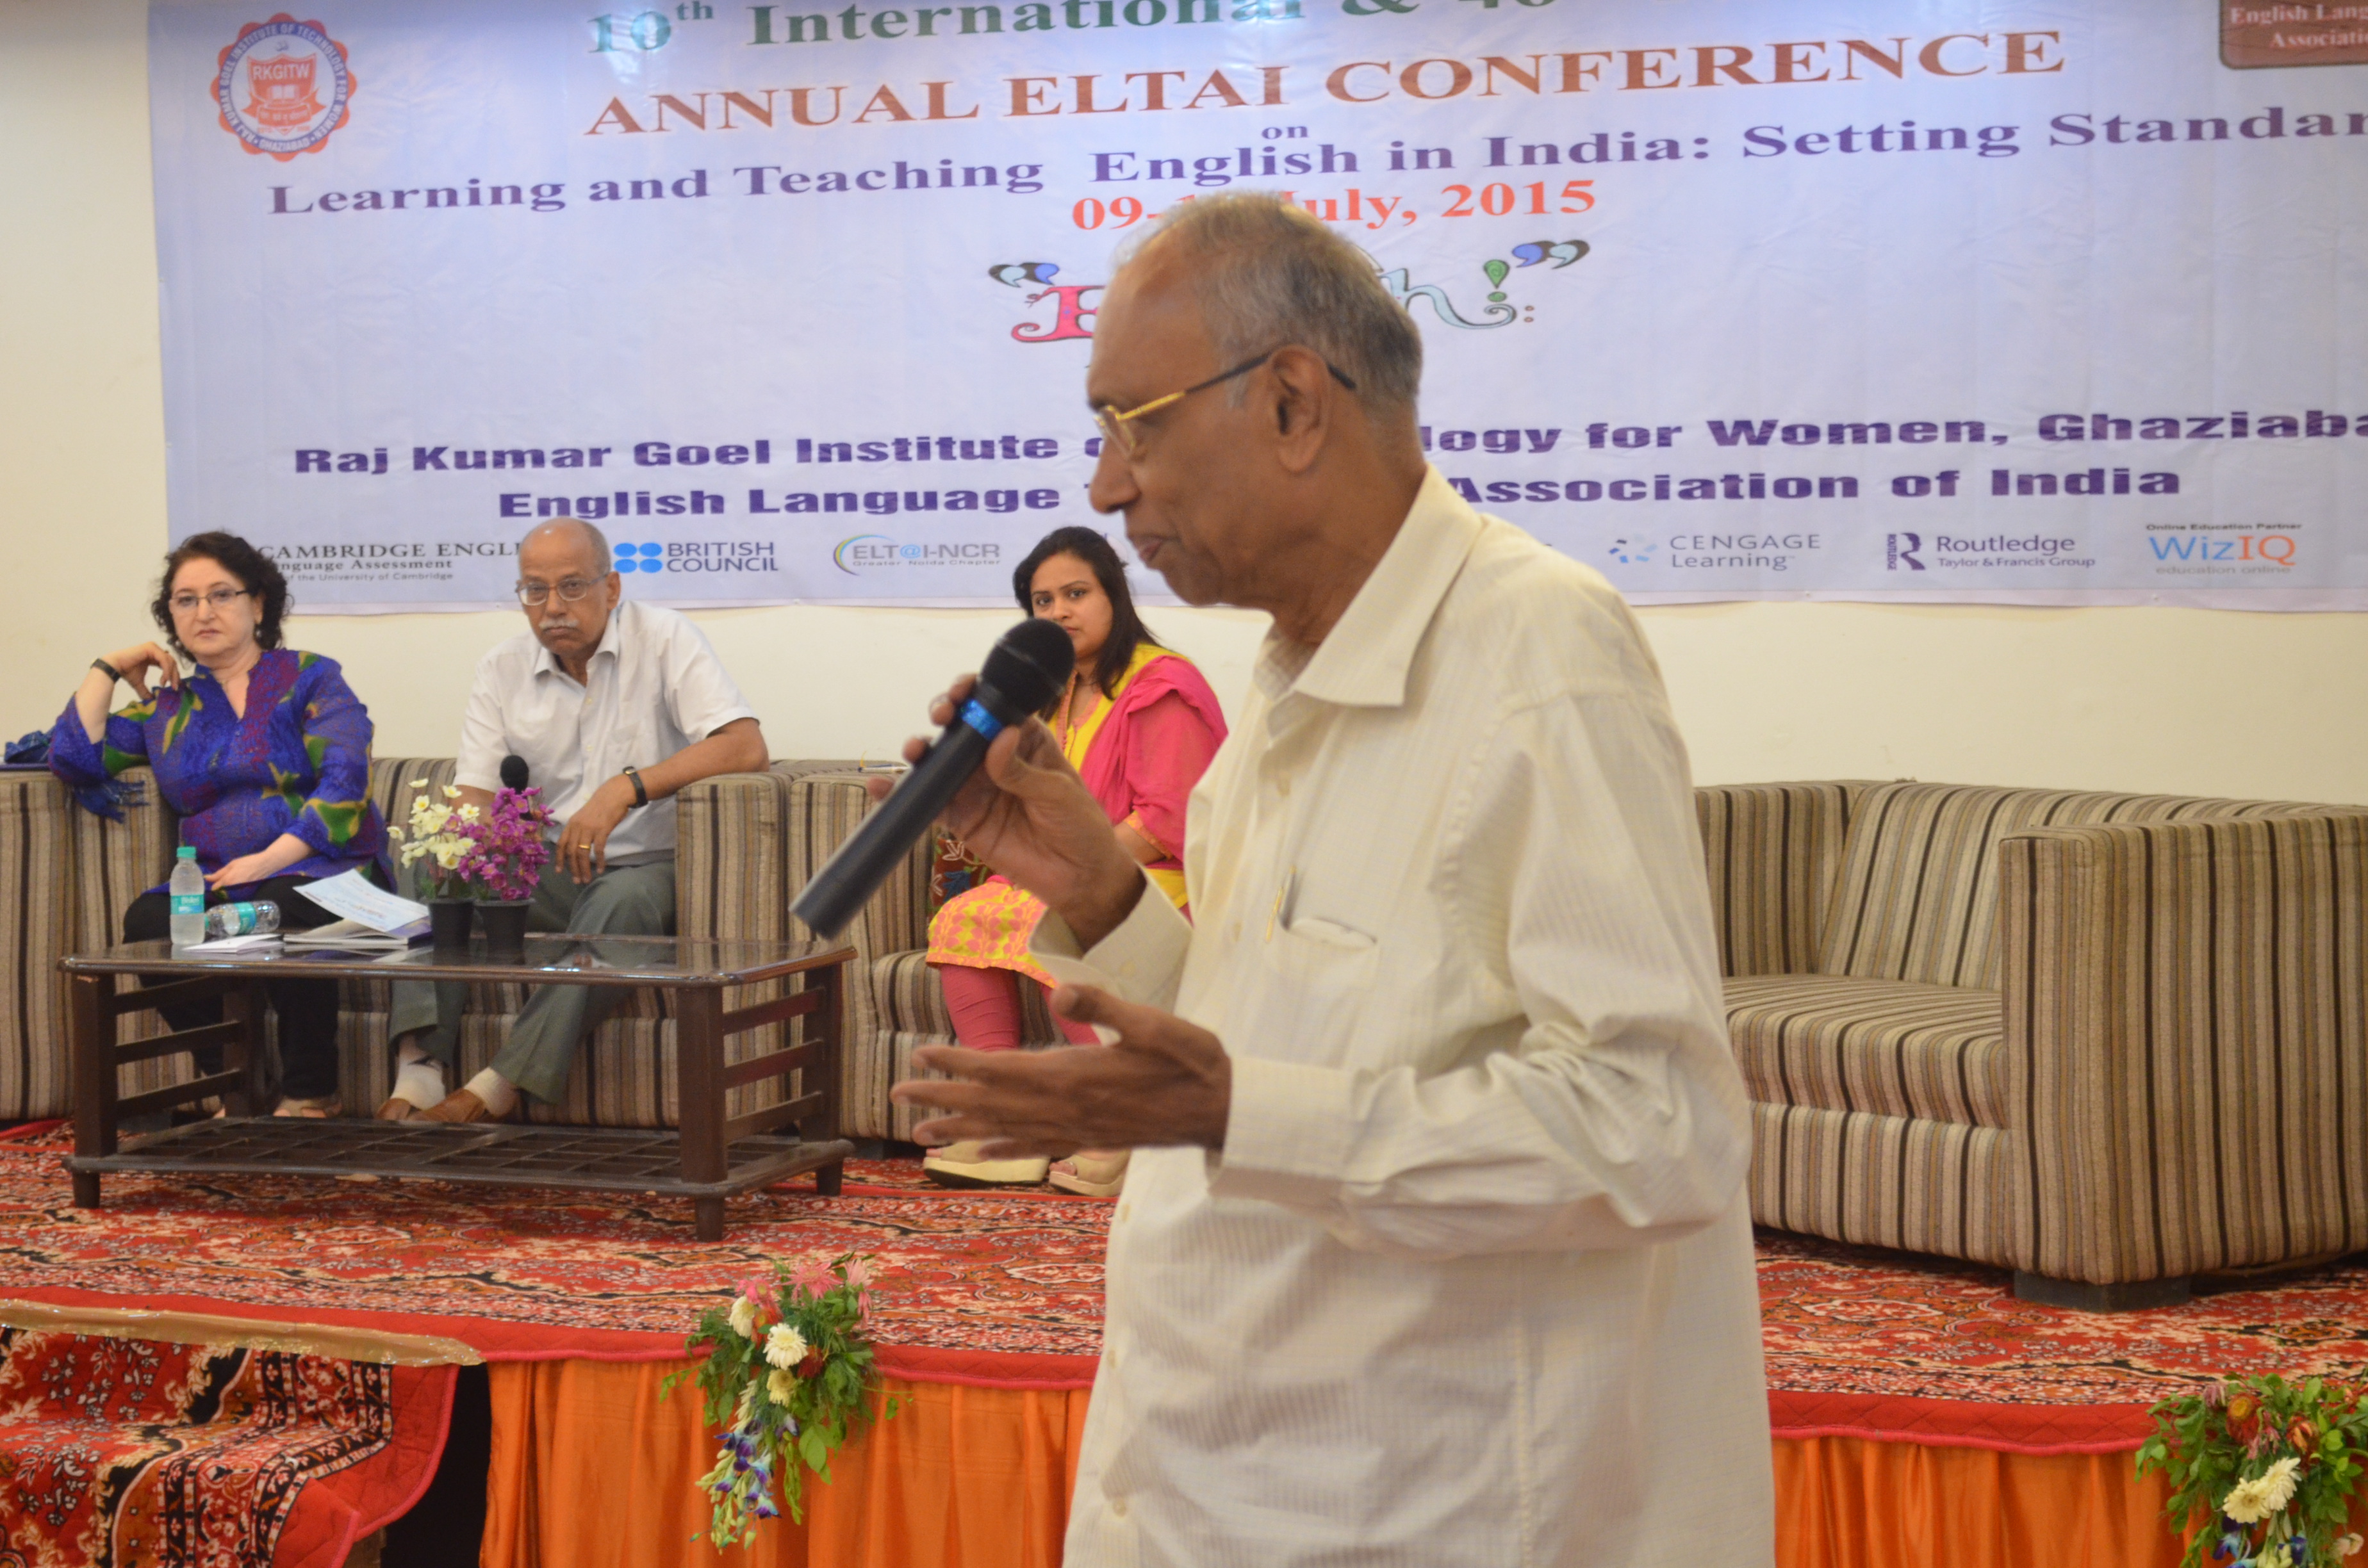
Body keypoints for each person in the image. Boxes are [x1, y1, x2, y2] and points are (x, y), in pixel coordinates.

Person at [887, 193, 1775, 1565]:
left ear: (1293, 404)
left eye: (1133, 426)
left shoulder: (1538, 656)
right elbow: (1273, 1029)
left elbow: (1659, 1127)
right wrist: (1104, 896)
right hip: (1215, 1485)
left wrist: (1240, 1114)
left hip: (1426, 1512)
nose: (1106, 489)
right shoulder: (1287, 671)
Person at [379, 517, 768, 1123]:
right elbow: (474, 795)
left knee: (620, 905)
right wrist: (476, 845)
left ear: (611, 588)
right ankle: (419, 1073)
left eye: (572, 587)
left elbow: (744, 746)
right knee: (435, 865)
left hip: (642, 868)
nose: (553, 607)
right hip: (548, 871)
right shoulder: (502, 668)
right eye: (535, 590)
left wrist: (626, 788)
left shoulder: (665, 640)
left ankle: (495, 1087)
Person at [921, 526, 1225, 1192]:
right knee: (966, 916)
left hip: (1157, 875)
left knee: (1052, 918)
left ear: (1114, 594)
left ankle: (1120, 1126)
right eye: (1043, 601)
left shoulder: (1160, 684)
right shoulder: (1051, 692)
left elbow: (1168, 818)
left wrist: (1074, 869)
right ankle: (1006, 1122)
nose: (1058, 612)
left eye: (1076, 594)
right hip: (1073, 868)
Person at [51, 531, 387, 1118]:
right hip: (221, 882)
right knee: (151, 923)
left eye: (221, 595)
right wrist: (109, 666)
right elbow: (75, 758)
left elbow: (345, 782)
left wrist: (271, 858)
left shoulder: (310, 677)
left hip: (327, 871)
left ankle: (311, 1090)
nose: (203, 612)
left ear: (257, 605)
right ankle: (237, 1082)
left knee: (281, 901)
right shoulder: (167, 708)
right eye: (186, 600)